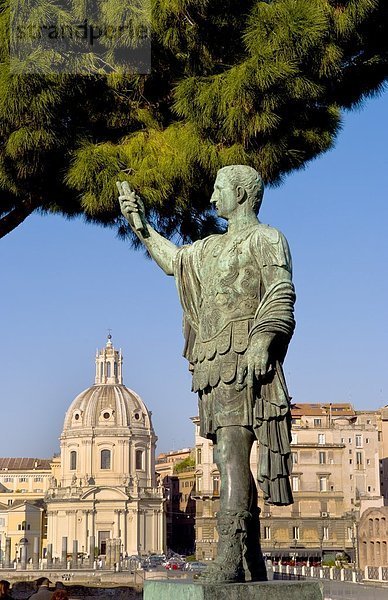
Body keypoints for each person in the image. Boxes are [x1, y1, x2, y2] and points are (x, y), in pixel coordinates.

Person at [118, 165, 296, 583]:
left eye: (219, 191)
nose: (213, 200)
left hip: (244, 357)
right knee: (224, 455)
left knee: (230, 455)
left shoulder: (267, 239)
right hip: (214, 360)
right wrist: (141, 226)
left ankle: (230, 554)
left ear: (242, 194)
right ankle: (251, 559)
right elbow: (173, 262)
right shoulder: (209, 248)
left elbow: (281, 291)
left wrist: (262, 340)